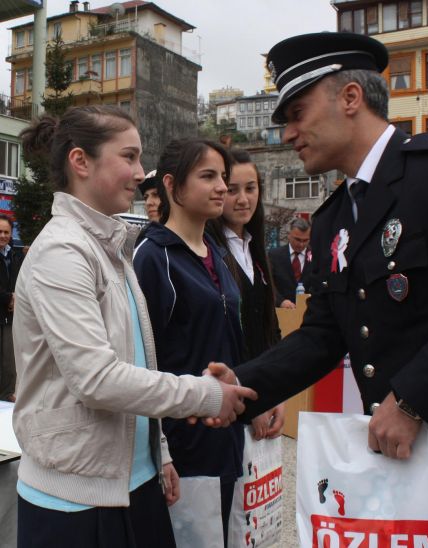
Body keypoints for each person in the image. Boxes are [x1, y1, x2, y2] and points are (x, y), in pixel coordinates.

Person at [206, 32, 428, 547]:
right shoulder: (334, 218)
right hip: (403, 470)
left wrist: (413, 400)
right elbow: (325, 333)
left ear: (350, 98)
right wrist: (241, 386)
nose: (289, 134)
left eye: (297, 113)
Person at [13, 106, 255, 548]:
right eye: (128, 157)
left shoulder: (111, 248)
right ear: (80, 161)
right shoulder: (62, 253)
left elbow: (139, 359)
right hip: (77, 497)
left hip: (131, 482)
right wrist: (204, 394)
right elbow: (97, 379)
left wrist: (156, 452)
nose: (140, 172)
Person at [133, 139, 252, 545]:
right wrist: (160, 446)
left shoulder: (215, 252)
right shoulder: (153, 256)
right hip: (183, 444)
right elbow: (141, 361)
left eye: (224, 177)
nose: (223, 187)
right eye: (208, 177)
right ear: (172, 185)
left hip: (227, 437)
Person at [207, 148, 284, 439]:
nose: (243, 199)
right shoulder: (210, 251)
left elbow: (269, 327)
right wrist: (250, 403)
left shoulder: (255, 248)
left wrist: (277, 392)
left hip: (262, 390)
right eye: (232, 190)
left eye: (250, 188)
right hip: (231, 400)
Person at [0, 214, 23, 402]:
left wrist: (17, 296)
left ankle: (7, 392)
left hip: (10, 313)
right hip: (5, 304)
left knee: (9, 355)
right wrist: (9, 297)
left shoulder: (14, 255)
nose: (3, 235)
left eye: (6, 232)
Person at [268, 217, 312, 308]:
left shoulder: (316, 257)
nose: (301, 244)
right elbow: (268, 283)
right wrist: (280, 301)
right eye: (297, 239)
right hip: (281, 313)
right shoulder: (274, 256)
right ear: (289, 235)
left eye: (305, 240)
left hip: (309, 314)